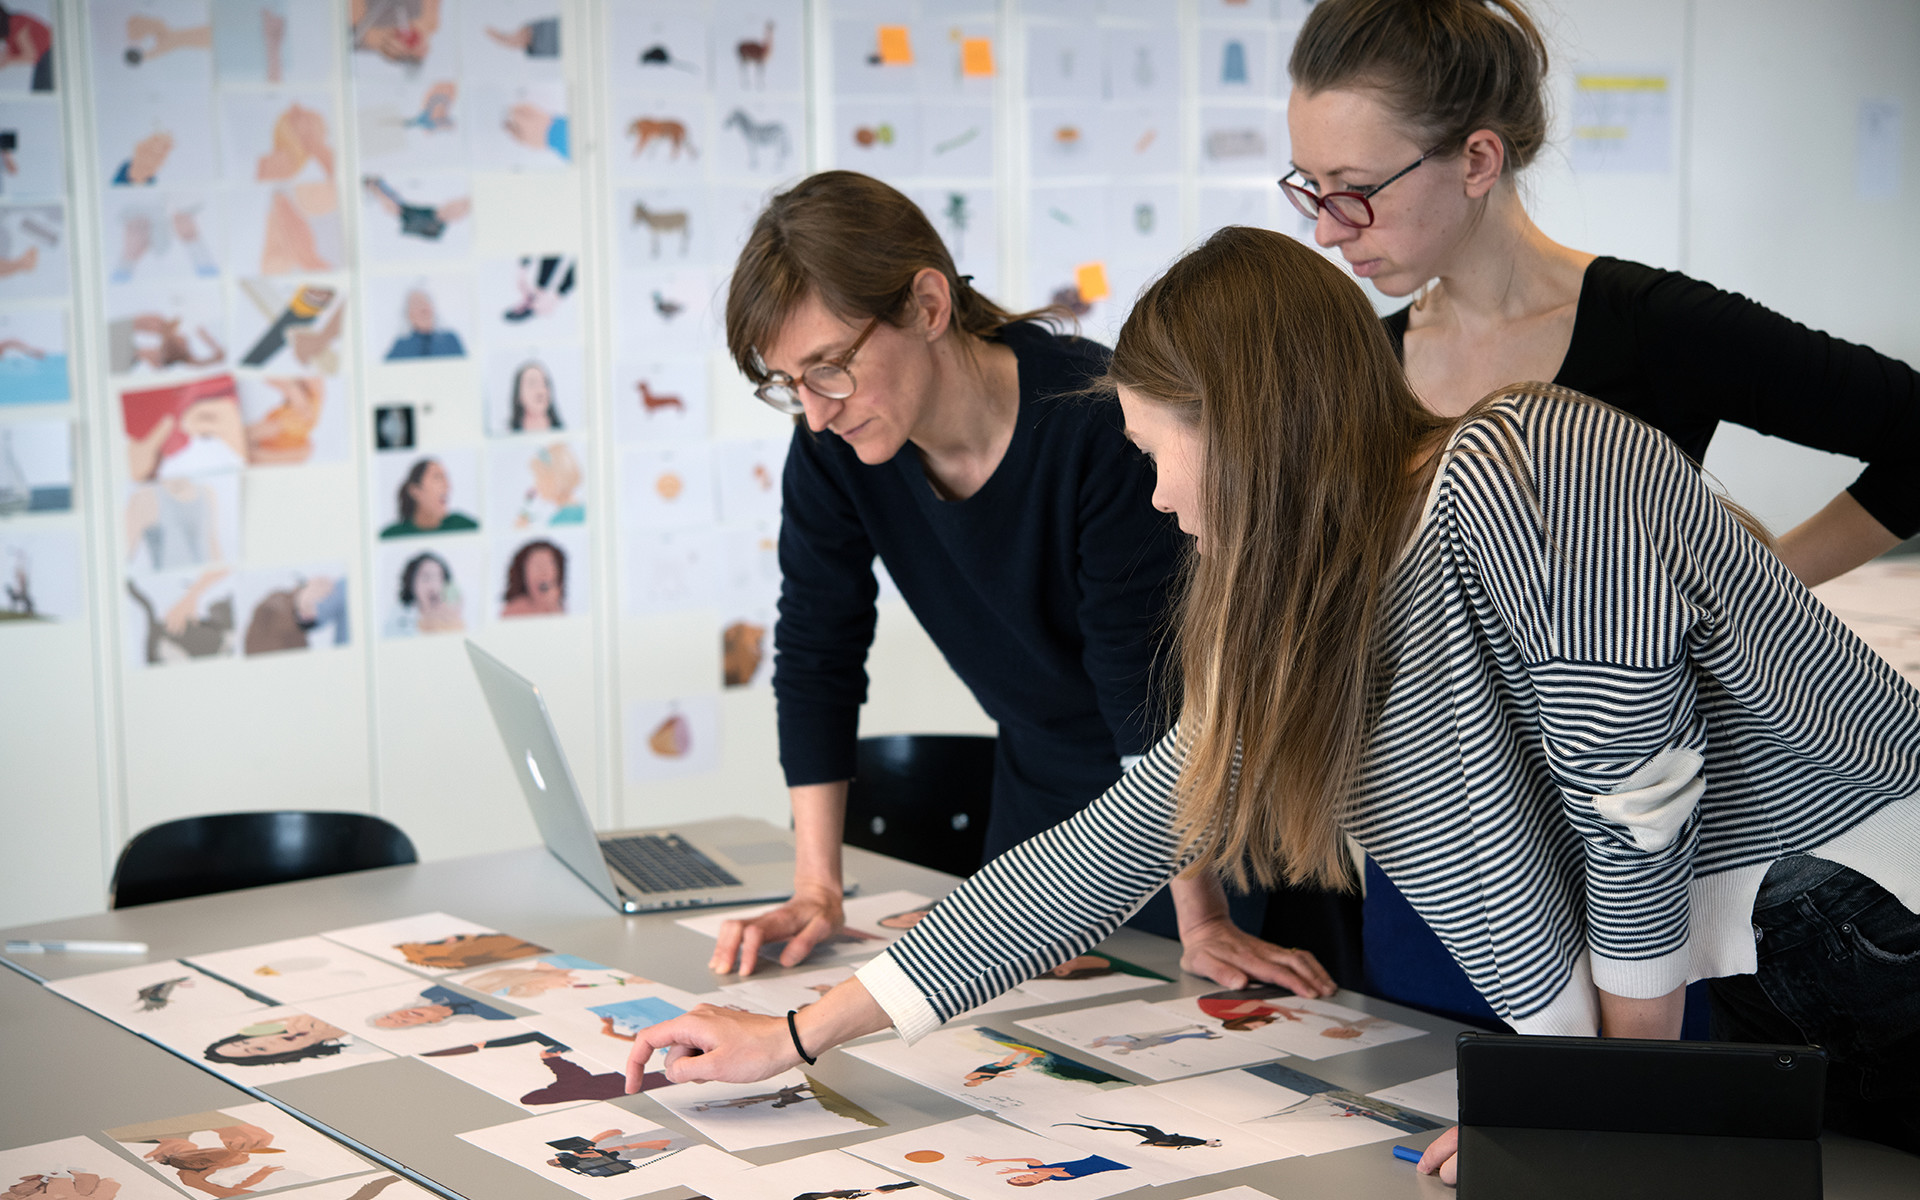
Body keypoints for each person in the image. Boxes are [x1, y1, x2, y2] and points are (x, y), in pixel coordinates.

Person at [621, 228, 1920, 1181]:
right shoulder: (1313, 596)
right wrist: (799, 1036)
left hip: (1827, 940)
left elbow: (1637, 814)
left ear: (1251, 429)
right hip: (1702, 983)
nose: (1160, 498)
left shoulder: (1528, 467)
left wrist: (1597, 1112)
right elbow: (1114, 843)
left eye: (1160, 455)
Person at [1279, 0, 1920, 1032]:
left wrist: (1760, 585)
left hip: (1639, 875)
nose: (1325, 228)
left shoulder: (1654, 327)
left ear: (1478, 160)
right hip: (1451, 879)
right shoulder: (1363, 368)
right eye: (1310, 188)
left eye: (1355, 191)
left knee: (1623, 1120)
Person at [704, 170, 1331, 1000]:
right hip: (1038, 808)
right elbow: (818, 651)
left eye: (829, 367)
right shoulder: (835, 448)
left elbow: (1143, 687)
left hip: (1192, 812)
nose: (816, 412)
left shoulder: (1090, 419)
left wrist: (1205, 918)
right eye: (789, 384)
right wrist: (817, 886)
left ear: (929, 305)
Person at [380, 456, 476, 537]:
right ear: (415, 490)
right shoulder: (392, 535)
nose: (447, 486)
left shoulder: (463, 525)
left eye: (445, 477)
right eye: (437, 477)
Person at [385, 551, 463, 637]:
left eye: (439, 578)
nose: (434, 585)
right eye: (426, 578)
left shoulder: (454, 618)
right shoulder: (397, 622)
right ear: (411, 583)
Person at [384, 288, 464, 360]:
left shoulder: (450, 340)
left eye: (426, 301)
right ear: (409, 315)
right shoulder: (401, 346)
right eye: (417, 304)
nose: (423, 307)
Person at [500, 539, 565, 617]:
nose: (543, 572)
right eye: (537, 566)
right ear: (523, 572)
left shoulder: (561, 607)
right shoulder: (512, 610)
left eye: (549, 565)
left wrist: (553, 606)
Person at [507, 361, 562, 431]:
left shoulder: (563, 433)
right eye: (532, 383)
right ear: (518, 395)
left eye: (545, 383)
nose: (541, 391)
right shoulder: (508, 434)